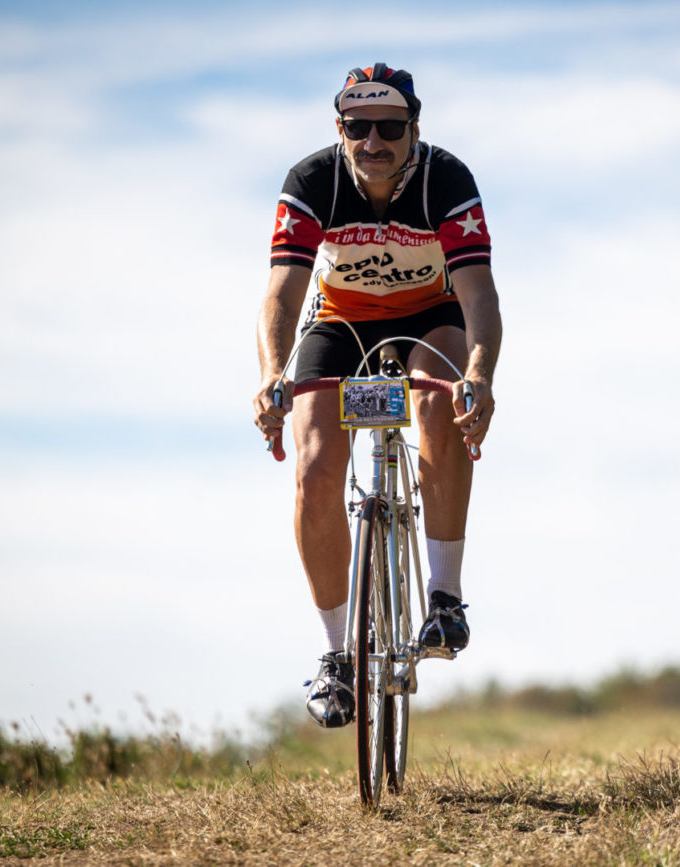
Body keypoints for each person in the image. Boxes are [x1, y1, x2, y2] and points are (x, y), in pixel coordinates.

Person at [252, 63, 502, 728]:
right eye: (357, 126)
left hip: (430, 318)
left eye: (390, 127)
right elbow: (282, 292)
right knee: (312, 463)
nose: (373, 141)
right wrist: (273, 372)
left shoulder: (447, 180)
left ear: (414, 131)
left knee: (437, 399)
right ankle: (337, 657)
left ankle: (444, 597)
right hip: (339, 321)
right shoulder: (312, 182)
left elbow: (478, 295)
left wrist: (478, 375)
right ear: (339, 130)